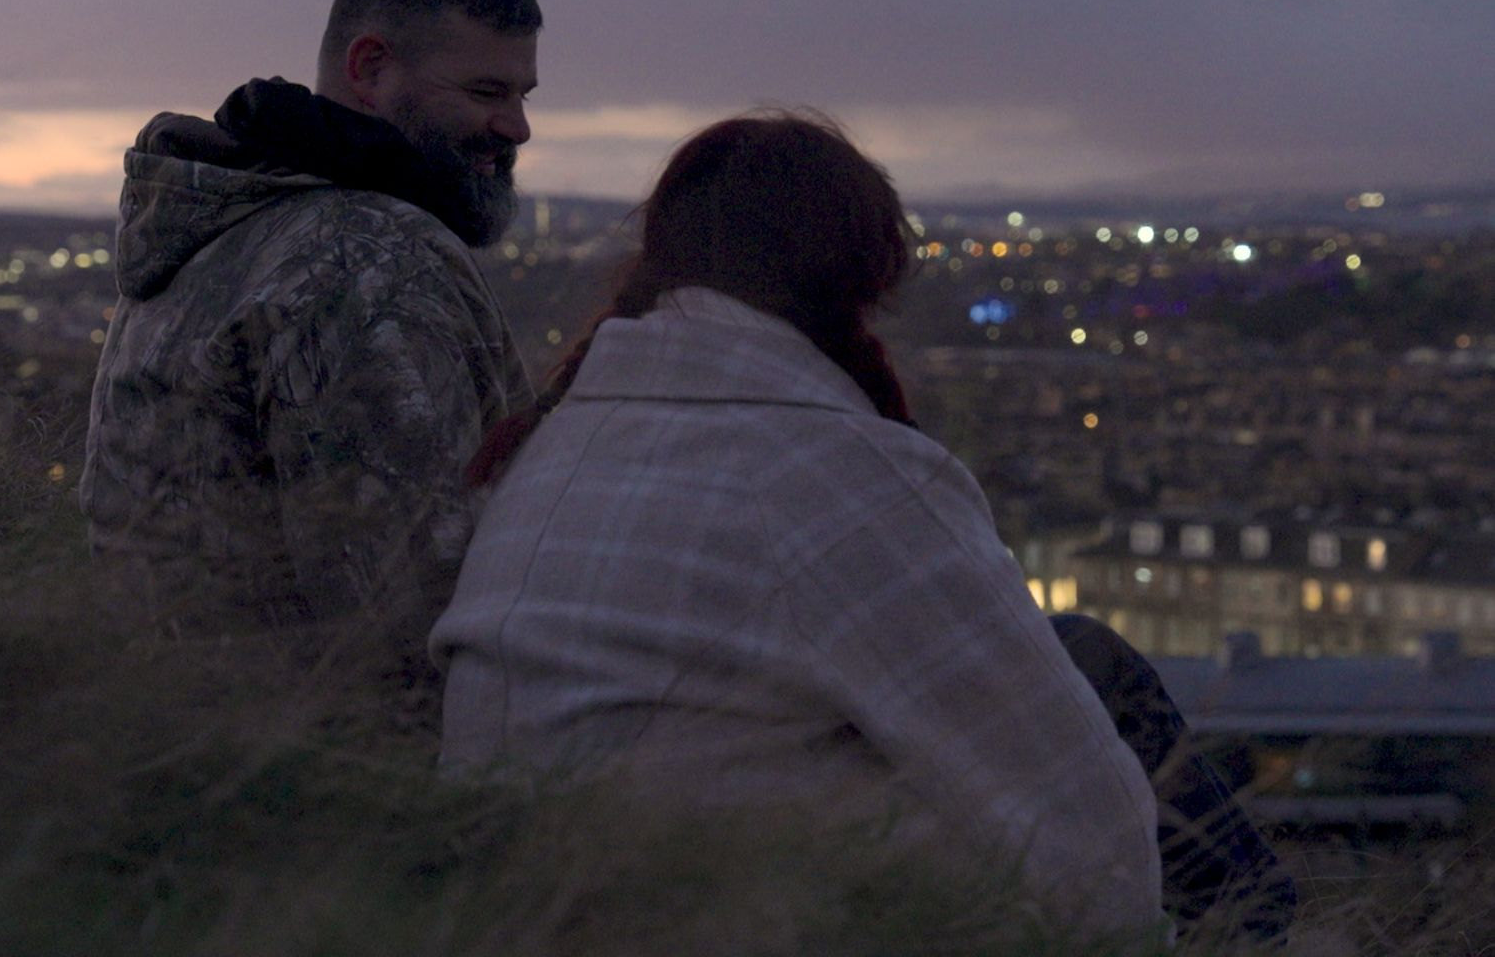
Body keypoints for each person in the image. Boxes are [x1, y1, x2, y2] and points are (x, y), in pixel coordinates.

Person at [432, 113, 1175, 941]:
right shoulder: (834, 471)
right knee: (1095, 671)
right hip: (739, 918)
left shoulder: (551, 447)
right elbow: (1102, 854)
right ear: (859, 275)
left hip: (521, 914)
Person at [80, 0, 540, 685]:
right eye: (486, 92)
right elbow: (419, 619)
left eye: (522, 95)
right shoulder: (362, 257)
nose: (516, 127)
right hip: (333, 774)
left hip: (195, 752)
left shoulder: (229, 225)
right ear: (370, 68)